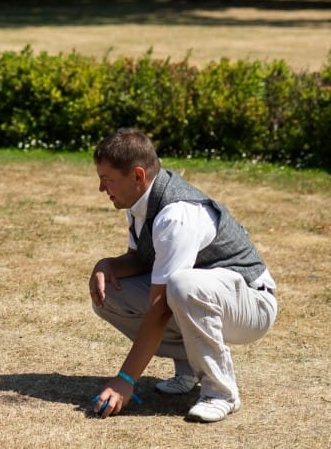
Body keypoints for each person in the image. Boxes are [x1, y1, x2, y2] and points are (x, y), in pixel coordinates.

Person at [88, 127, 277, 423]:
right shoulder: (140, 201)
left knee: (181, 285)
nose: (101, 188)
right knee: (110, 291)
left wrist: (125, 378)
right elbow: (141, 259)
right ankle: (190, 368)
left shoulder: (175, 214)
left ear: (138, 176)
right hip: (213, 296)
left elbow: (160, 307)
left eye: (106, 180)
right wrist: (106, 265)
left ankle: (220, 392)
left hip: (253, 305)